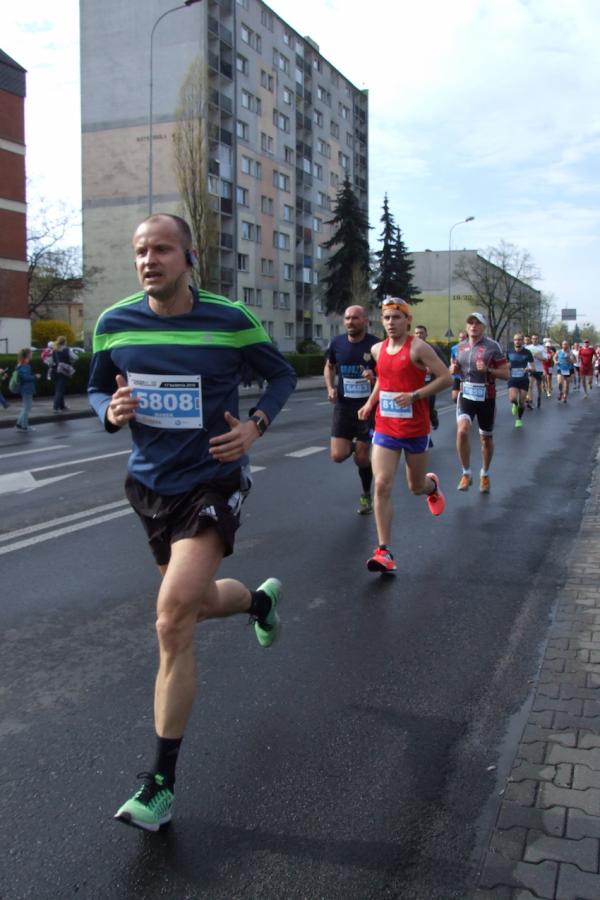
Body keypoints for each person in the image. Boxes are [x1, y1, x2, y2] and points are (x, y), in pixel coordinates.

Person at [87, 213, 296, 832]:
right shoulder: (114, 324)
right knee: (199, 602)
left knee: (172, 615)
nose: (148, 261)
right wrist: (110, 410)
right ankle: (257, 603)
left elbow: (282, 373)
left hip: (213, 482)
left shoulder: (231, 320)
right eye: (140, 252)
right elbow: (100, 388)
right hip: (150, 486)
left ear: (189, 256)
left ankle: (160, 785)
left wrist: (254, 425)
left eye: (161, 250)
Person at [357, 298, 452, 573]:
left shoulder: (419, 348)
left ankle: (431, 487)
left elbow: (446, 378)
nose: (390, 323)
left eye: (396, 318)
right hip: (385, 426)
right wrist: (370, 403)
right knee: (383, 484)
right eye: (386, 318)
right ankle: (383, 551)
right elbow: (383, 381)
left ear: (407, 320)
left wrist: (415, 396)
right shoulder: (377, 349)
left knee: (414, 487)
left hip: (414, 429)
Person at [324, 305, 379, 514]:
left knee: (363, 459)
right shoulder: (337, 343)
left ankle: (366, 494)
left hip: (368, 408)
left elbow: (386, 375)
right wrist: (330, 387)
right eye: (347, 318)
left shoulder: (375, 345)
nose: (350, 322)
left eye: (355, 318)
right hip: (344, 408)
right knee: (338, 456)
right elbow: (329, 366)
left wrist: (373, 377)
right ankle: (360, 446)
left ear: (365, 320)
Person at [451, 312, 509, 493]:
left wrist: (489, 370)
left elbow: (506, 374)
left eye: (477, 323)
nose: (473, 326)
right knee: (462, 431)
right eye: (470, 323)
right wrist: (452, 369)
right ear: (466, 326)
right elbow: (454, 371)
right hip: (466, 395)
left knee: (486, 438)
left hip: (486, 397)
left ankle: (484, 474)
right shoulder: (458, 348)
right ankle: (466, 473)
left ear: (483, 327)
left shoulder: (493, 347)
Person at [413, 324, 448, 429]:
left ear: (426, 334)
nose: (419, 335)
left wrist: (433, 369)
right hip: (414, 384)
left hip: (430, 384)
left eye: (421, 333)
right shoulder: (409, 348)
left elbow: (445, 364)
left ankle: (432, 415)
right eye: (417, 333)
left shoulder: (433, 348)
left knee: (428, 407)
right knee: (415, 410)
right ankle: (422, 433)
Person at [507, 332, 534, 428]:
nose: (517, 341)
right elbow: (505, 364)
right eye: (515, 340)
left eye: (519, 340)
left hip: (523, 379)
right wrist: (507, 366)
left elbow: (533, 367)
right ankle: (514, 404)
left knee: (522, 402)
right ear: (513, 341)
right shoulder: (509, 352)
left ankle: (519, 419)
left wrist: (528, 369)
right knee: (513, 398)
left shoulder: (527, 352)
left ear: (522, 341)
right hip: (513, 379)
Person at [14, 349, 40, 432]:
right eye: (30, 353)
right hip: (27, 388)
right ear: (27, 355)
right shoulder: (25, 365)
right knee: (27, 408)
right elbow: (25, 378)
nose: (31, 354)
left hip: (24, 388)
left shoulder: (20, 364)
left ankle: (19, 424)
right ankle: (24, 427)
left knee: (25, 407)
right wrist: (35, 377)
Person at [52, 336, 75, 412]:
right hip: (64, 371)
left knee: (59, 388)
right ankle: (56, 407)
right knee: (60, 390)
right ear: (65, 342)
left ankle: (62, 406)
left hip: (55, 371)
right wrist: (70, 362)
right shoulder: (67, 350)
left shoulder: (54, 350)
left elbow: (50, 361)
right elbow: (75, 357)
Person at [525, 334, 545, 408]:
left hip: (539, 369)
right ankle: (530, 400)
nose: (534, 340)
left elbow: (545, 359)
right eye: (533, 338)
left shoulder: (542, 348)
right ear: (531, 339)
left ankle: (539, 397)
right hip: (531, 369)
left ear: (538, 339)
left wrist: (537, 356)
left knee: (539, 386)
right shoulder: (527, 348)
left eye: (536, 339)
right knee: (530, 385)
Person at [450, 330, 468, 403]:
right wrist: (452, 367)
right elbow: (452, 359)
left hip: (467, 376)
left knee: (466, 398)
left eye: (463, 338)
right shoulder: (454, 348)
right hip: (457, 376)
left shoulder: (470, 348)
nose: (461, 339)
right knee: (455, 398)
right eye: (460, 338)